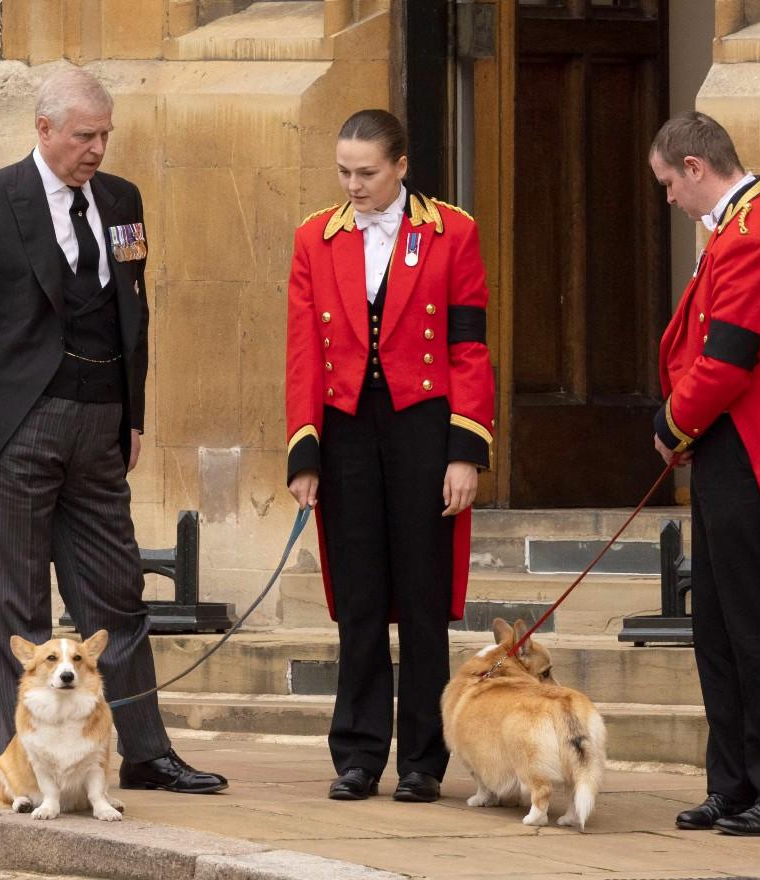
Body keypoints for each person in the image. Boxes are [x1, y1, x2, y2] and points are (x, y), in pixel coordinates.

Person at [0, 67, 225, 795]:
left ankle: (143, 752)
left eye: (104, 135)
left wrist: (132, 416)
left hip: (98, 426)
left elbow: (136, 311)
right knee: (16, 607)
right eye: (83, 136)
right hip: (11, 428)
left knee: (117, 595)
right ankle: (26, 767)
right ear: (44, 131)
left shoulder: (122, 201)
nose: (96, 149)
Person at [284, 109, 495, 803]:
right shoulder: (315, 238)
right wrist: (304, 451)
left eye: (368, 173)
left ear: (401, 166)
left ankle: (423, 762)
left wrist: (465, 451)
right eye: (344, 171)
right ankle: (357, 753)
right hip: (346, 431)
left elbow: (468, 347)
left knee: (424, 598)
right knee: (361, 598)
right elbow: (302, 352)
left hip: (424, 430)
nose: (354, 185)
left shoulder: (451, 231)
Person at [649, 111, 760, 836]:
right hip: (730, 445)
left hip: (757, 451)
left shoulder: (755, 234)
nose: (667, 197)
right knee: (717, 628)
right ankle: (734, 783)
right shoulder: (735, 228)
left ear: (695, 168)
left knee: (757, 628)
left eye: (668, 183)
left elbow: (727, 359)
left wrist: (670, 424)